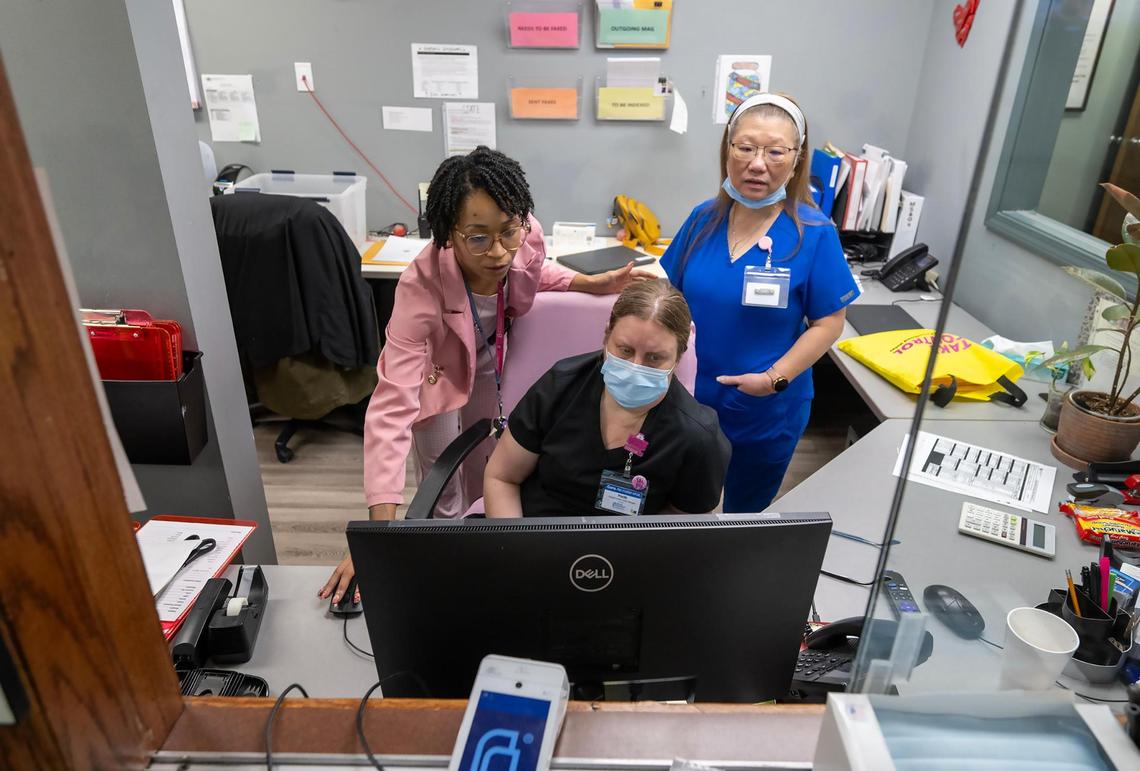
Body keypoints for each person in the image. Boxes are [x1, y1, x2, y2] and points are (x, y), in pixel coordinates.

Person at [320, 146, 651, 604]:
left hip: (491, 363)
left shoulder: (524, 233)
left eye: (506, 232)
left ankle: (481, 558)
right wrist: (376, 537)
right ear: (447, 235)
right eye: (477, 238)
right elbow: (391, 409)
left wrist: (587, 283)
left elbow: (533, 271)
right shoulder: (419, 287)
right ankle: (447, 564)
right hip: (436, 379)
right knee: (443, 484)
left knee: (488, 471)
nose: (497, 252)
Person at [660, 93, 859, 513]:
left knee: (741, 517)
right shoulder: (703, 218)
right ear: (728, 149)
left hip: (765, 407)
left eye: (775, 151)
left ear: (797, 157)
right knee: (683, 508)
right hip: (690, 400)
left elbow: (829, 324)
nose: (757, 163)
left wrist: (772, 380)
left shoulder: (814, 233)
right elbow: (670, 293)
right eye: (745, 147)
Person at [484, 280, 730, 517]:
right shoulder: (560, 387)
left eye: (654, 358)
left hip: (626, 552)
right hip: (536, 533)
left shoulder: (696, 436)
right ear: (606, 338)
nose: (635, 367)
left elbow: (683, 527)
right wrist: (517, 551)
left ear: (677, 358)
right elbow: (502, 477)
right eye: (625, 350)